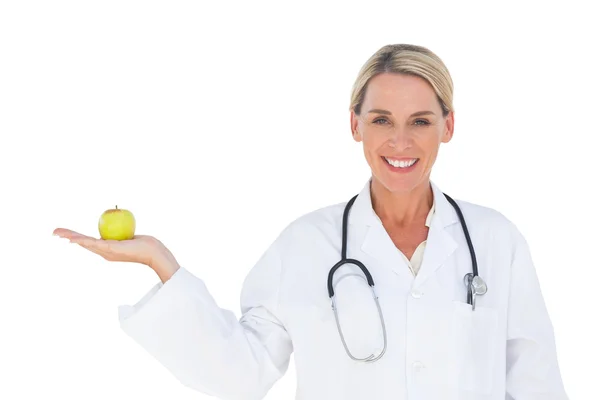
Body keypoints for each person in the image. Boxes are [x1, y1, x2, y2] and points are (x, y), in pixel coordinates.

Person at [53, 43, 568, 400]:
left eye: (421, 122)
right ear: (354, 124)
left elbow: (536, 386)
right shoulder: (305, 245)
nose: (400, 142)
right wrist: (161, 264)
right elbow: (241, 372)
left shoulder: (497, 241)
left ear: (448, 126)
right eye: (381, 119)